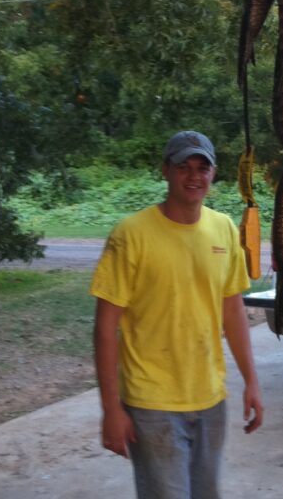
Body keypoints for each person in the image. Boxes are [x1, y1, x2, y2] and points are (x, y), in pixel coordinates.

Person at [91, 130, 263, 499]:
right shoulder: (131, 235)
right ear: (165, 170)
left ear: (214, 174)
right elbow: (106, 327)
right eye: (184, 166)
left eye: (203, 167)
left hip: (210, 399)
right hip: (152, 405)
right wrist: (111, 409)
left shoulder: (224, 230)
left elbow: (232, 310)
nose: (194, 176)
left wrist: (251, 380)